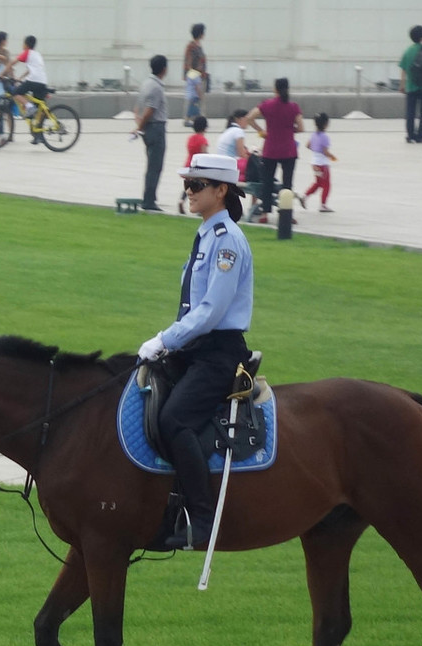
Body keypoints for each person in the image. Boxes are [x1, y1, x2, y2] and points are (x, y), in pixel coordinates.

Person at [136, 152, 253, 550]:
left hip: (217, 353)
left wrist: (165, 340)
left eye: (197, 185)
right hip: (194, 349)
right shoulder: (205, 234)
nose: (188, 191)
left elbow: (210, 311)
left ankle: (202, 519)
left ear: (221, 191)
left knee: (174, 420)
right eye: (187, 183)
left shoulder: (227, 243)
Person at [243, 77, 303, 222]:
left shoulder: (267, 105)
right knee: (287, 183)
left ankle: (265, 213)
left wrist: (261, 131)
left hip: (270, 149)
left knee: (267, 182)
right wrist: (289, 129)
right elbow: (301, 128)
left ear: (275, 89)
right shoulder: (294, 107)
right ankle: (287, 213)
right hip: (289, 149)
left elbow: (249, 117)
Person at [133, 54, 169, 212]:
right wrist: (140, 127)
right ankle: (149, 200)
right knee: (155, 166)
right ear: (164, 69)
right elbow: (149, 110)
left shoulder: (146, 84)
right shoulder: (156, 87)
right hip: (156, 128)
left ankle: (150, 197)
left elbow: (137, 109)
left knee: (152, 165)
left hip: (149, 128)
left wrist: (139, 125)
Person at [8, 35, 47, 143]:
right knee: (37, 111)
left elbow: (12, 63)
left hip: (33, 81)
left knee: (15, 92)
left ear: (26, 44)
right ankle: (38, 136)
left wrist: (1, 75)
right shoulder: (37, 54)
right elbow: (32, 70)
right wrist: (20, 78)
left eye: (23, 43)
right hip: (42, 82)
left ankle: (29, 106)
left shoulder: (27, 52)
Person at [398, 25, 422, 144]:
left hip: (411, 86)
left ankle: (410, 135)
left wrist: (402, 85)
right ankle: (420, 136)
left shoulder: (407, 51)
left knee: (410, 111)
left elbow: (403, 69)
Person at [301, 113, 337, 212]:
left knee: (318, 183)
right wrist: (332, 156)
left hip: (314, 163)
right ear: (325, 124)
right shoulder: (325, 137)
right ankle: (323, 205)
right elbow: (325, 152)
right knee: (326, 185)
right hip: (322, 164)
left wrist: (316, 149)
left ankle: (305, 196)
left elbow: (308, 145)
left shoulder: (313, 135)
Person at [177, 115, 209, 214]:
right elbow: (204, 154)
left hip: (188, 163)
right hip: (198, 166)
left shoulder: (190, 138)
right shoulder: (203, 139)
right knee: (201, 187)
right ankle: (200, 207)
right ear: (205, 127)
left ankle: (181, 200)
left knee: (189, 186)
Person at [184, 23, 208, 94]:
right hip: (195, 81)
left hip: (200, 78)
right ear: (200, 34)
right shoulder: (191, 46)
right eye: (203, 32)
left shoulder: (198, 46)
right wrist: (195, 81)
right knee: (194, 102)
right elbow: (188, 65)